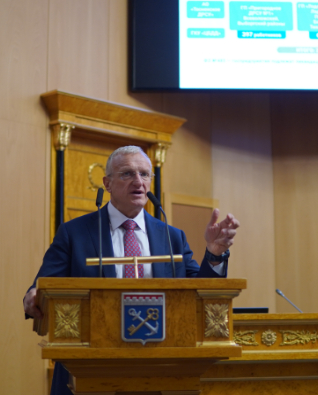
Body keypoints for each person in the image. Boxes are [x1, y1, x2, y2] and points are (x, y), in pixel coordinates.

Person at [23, 145, 240, 395]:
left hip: (161, 367)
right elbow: (44, 285)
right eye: (127, 173)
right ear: (107, 183)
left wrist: (214, 253)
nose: (138, 181)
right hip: (89, 365)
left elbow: (201, 295)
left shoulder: (172, 236)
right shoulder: (74, 233)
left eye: (144, 174)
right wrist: (34, 295)